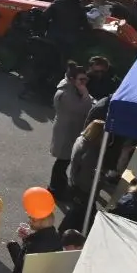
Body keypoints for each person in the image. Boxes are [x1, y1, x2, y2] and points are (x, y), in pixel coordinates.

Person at [49, 64, 92, 202]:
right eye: (81, 80)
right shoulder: (66, 94)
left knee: (64, 161)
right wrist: (84, 92)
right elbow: (85, 108)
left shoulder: (71, 88)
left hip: (70, 129)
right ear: (73, 79)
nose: (84, 83)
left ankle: (59, 185)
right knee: (62, 161)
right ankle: (54, 188)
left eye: (86, 79)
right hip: (66, 131)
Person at [63, 120, 107, 232]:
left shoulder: (81, 140)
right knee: (81, 213)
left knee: (78, 211)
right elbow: (86, 175)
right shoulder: (91, 151)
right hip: (83, 188)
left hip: (73, 181)